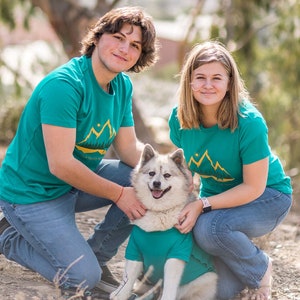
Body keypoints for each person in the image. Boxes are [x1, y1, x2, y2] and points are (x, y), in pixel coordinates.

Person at [0, 6, 159, 297]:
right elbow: (60, 164)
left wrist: (170, 175)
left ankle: (96, 255)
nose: (124, 49)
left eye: (134, 45)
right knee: (81, 278)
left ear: (140, 55)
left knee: (146, 181)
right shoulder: (65, 85)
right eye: (118, 37)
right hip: (31, 193)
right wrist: (119, 194)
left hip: (73, 183)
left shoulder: (121, 85)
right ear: (98, 37)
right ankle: (9, 237)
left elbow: (128, 150)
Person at [170, 41, 292, 300]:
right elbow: (187, 171)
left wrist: (201, 205)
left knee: (209, 230)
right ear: (189, 82)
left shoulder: (249, 123)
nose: (208, 85)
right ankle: (237, 266)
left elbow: (253, 187)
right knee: (217, 292)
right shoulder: (179, 118)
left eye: (217, 78)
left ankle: (260, 268)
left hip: (266, 197)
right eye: (200, 77)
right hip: (216, 201)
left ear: (229, 82)